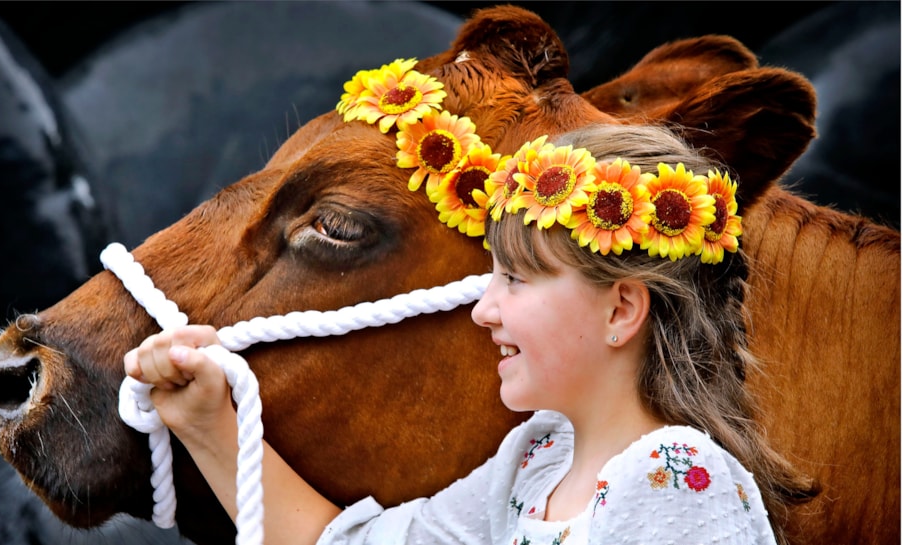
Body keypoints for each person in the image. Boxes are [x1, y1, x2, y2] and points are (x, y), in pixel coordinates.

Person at [123, 123, 817, 545]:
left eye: (515, 279)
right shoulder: (537, 461)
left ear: (620, 311)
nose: (484, 309)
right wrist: (211, 425)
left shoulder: (670, 478)